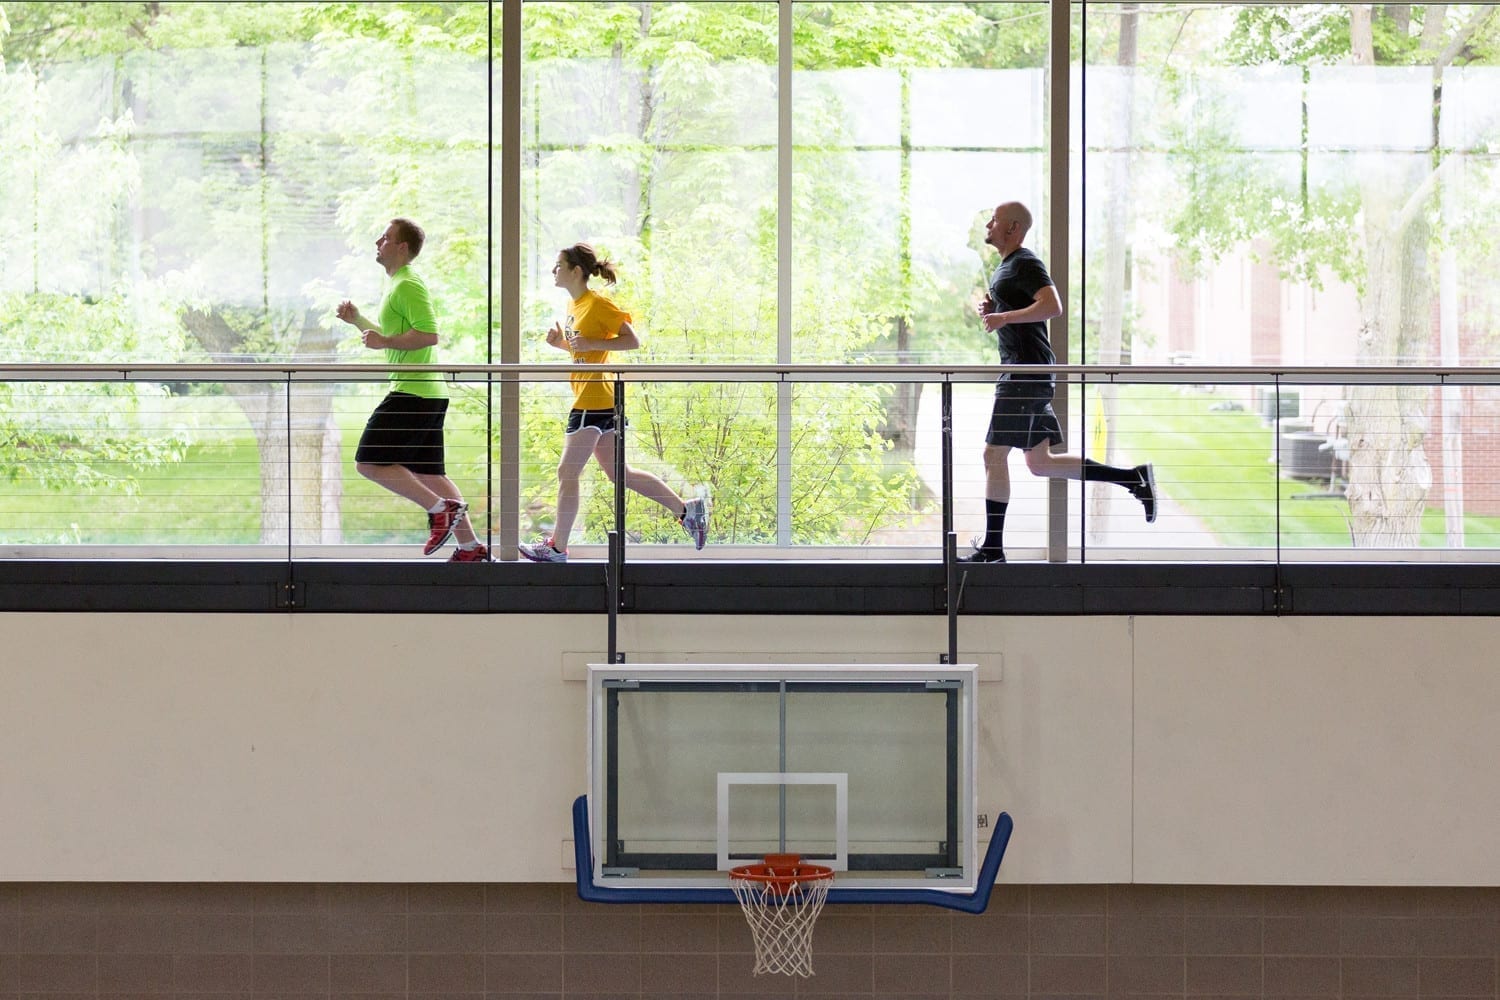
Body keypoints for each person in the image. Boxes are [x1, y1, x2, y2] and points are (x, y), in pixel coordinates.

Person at [961, 201, 1155, 563]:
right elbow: (1022, 317)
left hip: (1026, 374)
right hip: (1027, 372)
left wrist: (1004, 318)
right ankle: (1133, 479)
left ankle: (992, 549)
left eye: (995, 219)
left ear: (1013, 227)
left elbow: (1053, 306)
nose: (988, 223)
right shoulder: (1006, 266)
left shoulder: (1025, 261)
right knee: (1040, 463)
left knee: (993, 454)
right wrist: (997, 313)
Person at [519, 243, 708, 563]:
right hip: (597, 398)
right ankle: (687, 511)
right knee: (621, 474)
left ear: (576, 271)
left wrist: (589, 342)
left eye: (559, 266)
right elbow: (585, 353)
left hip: (592, 400)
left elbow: (631, 340)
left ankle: (556, 547)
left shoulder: (597, 304)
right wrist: (562, 345)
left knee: (567, 471)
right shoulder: (574, 305)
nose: (554, 271)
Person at [337, 217, 488, 562]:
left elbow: (428, 334)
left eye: (386, 238)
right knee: (430, 473)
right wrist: (359, 321)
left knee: (368, 463)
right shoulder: (397, 285)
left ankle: (440, 511)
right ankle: (471, 548)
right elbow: (395, 340)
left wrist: (384, 341)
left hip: (414, 391)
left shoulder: (408, 284)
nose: (378, 241)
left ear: (402, 247)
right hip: (427, 392)